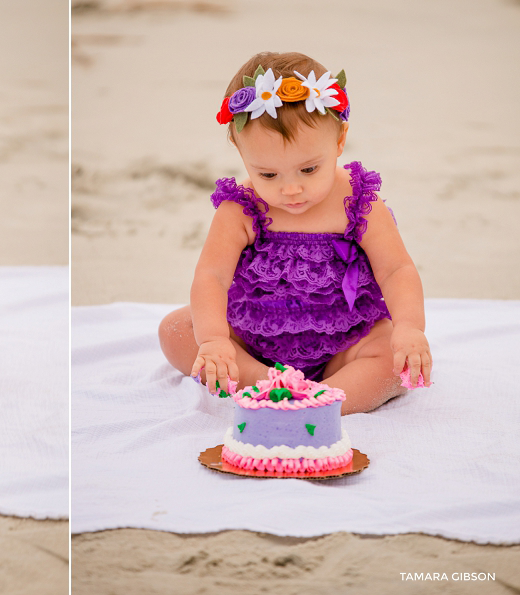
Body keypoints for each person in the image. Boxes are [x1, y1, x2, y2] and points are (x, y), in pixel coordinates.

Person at [158, 52, 431, 414]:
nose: (291, 190)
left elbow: (396, 269)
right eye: (268, 175)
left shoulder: (358, 199)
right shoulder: (240, 208)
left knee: (392, 364)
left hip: (343, 341)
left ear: (339, 141)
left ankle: (323, 398)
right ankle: (268, 384)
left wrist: (409, 328)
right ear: (241, 154)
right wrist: (214, 340)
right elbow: (211, 276)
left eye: (308, 169)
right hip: (255, 339)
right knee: (176, 330)